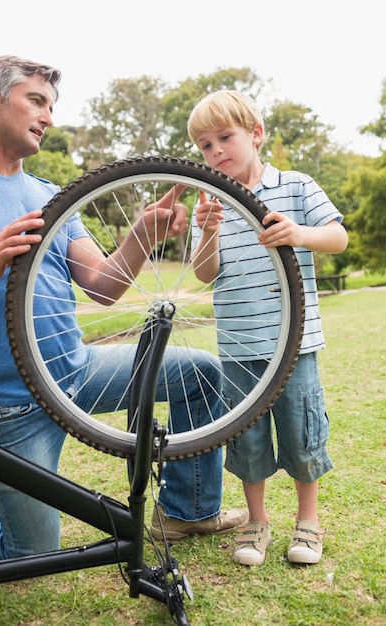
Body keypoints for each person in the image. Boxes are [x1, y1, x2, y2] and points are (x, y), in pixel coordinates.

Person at [0, 57, 247, 563]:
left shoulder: (50, 195)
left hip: (77, 373)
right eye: (36, 101)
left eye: (51, 106)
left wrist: (143, 231)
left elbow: (102, 285)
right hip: (13, 405)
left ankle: (189, 511)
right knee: (33, 554)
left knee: (200, 372)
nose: (48, 116)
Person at [187, 90, 348, 566]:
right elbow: (203, 272)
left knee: (301, 432)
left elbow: (336, 236)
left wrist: (298, 233)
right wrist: (209, 230)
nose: (215, 152)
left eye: (224, 138)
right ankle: (257, 522)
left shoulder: (295, 186)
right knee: (247, 437)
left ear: (256, 135)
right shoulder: (212, 203)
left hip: (295, 343)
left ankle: (308, 522)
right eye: (204, 146)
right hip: (238, 345)